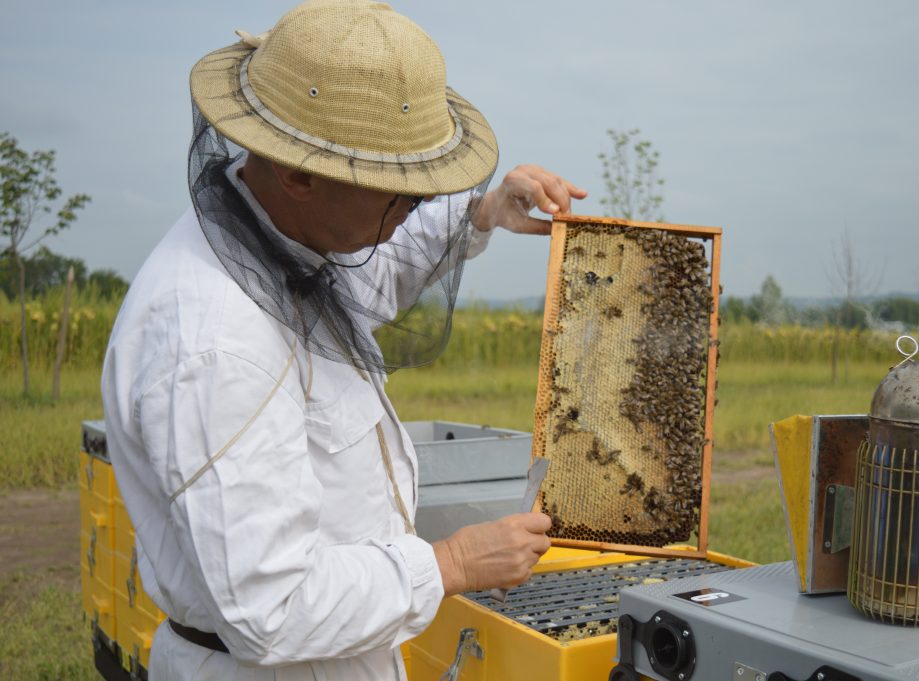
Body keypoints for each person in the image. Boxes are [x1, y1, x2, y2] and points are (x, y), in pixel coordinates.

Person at [100, 1, 586, 679]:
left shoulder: (287, 237)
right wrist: (451, 563)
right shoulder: (214, 341)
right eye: (400, 191)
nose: (415, 206)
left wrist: (483, 212)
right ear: (299, 173)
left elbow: (374, 266)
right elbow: (271, 608)